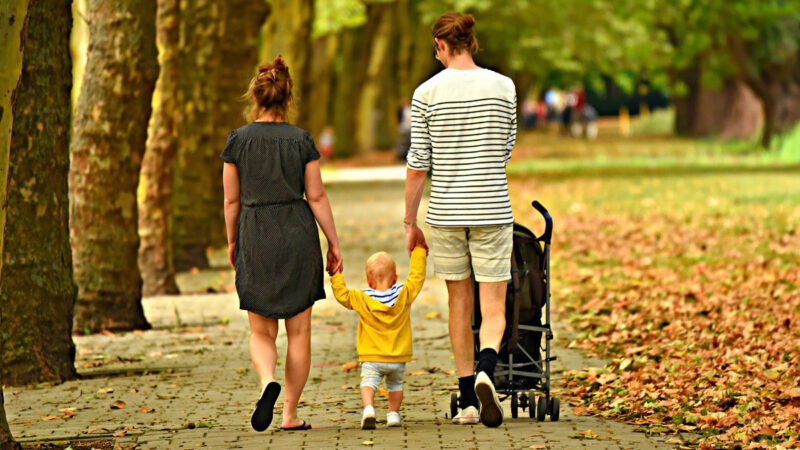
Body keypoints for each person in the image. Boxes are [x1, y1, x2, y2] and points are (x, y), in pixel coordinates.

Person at [404, 12, 517, 428]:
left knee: (458, 302)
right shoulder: (503, 87)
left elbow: (419, 163)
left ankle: (468, 399)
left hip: (447, 213)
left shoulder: (426, 93)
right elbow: (507, 147)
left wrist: (409, 220)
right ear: (472, 42)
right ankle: (489, 366)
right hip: (491, 207)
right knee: (493, 304)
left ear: (441, 46)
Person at [221, 56, 343, 432]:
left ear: (255, 97)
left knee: (261, 331)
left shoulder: (237, 141)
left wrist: (232, 241)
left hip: (256, 232)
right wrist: (334, 243)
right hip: (296, 232)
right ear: (288, 98)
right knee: (300, 333)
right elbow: (317, 197)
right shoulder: (301, 140)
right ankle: (289, 414)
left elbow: (230, 201)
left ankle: (266, 382)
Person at [330, 246, 427, 429]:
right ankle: (393, 415)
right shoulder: (404, 294)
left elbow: (342, 296)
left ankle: (368, 409)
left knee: (368, 383)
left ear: (368, 280)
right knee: (395, 385)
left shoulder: (362, 298)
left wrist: (336, 274)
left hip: (371, 357)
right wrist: (419, 253)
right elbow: (417, 278)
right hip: (398, 357)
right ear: (395, 278)